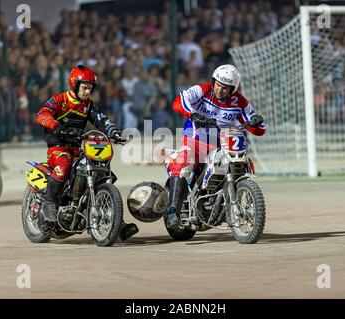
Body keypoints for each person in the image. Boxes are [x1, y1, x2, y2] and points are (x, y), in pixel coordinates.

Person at [36, 65, 139, 241]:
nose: (87, 91)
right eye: (84, 87)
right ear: (74, 85)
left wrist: (114, 132)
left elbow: (102, 120)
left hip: (78, 149)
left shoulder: (88, 105)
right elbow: (42, 115)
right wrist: (58, 127)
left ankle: (116, 222)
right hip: (58, 148)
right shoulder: (59, 99)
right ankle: (50, 203)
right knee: (65, 164)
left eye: (90, 88)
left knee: (102, 171)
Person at [164, 64, 266, 229]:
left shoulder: (240, 101)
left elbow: (259, 129)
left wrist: (255, 122)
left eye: (225, 88)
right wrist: (194, 114)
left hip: (223, 144)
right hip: (196, 139)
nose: (219, 90)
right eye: (218, 85)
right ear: (213, 81)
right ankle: (172, 211)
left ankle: (228, 199)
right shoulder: (202, 90)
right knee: (182, 163)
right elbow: (179, 102)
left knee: (246, 164)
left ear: (232, 89)